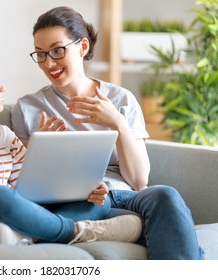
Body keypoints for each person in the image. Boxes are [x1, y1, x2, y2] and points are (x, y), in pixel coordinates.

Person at [11, 6, 204, 260]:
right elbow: (23, 185)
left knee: (165, 195)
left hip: (124, 198)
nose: (49, 63)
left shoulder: (121, 98)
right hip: (75, 204)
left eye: (57, 51)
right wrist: (37, 149)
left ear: (82, 47)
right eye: (40, 54)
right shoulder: (28, 108)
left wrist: (118, 123)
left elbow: (138, 181)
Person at [0, 54, 142, 246]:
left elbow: (26, 189)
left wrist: (44, 155)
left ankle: (28, 236)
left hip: (8, 218)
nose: (3, 87)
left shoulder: (3, 136)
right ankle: (76, 232)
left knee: (96, 198)